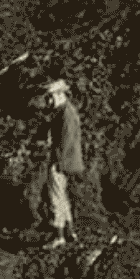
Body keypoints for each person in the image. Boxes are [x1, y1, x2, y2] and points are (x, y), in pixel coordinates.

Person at [42, 78, 87, 249]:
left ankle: (59, 236)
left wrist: (57, 162)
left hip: (62, 161)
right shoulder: (67, 112)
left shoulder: (66, 114)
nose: (48, 101)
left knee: (56, 197)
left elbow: (66, 141)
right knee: (63, 197)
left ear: (60, 95)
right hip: (68, 161)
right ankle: (70, 232)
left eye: (50, 97)